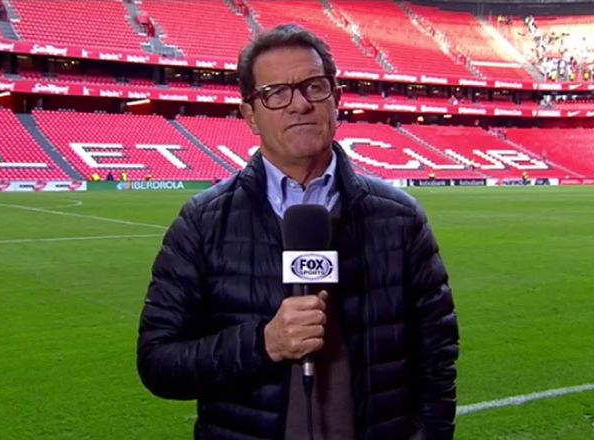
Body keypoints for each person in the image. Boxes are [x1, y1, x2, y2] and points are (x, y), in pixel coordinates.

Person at [137, 24, 459, 440]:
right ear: (250, 115)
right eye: (276, 93)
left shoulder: (400, 218)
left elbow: (437, 356)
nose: (300, 104)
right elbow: (158, 362)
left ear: (337, 100)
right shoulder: (202, 222)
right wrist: (263, 344)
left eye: (314, 87)